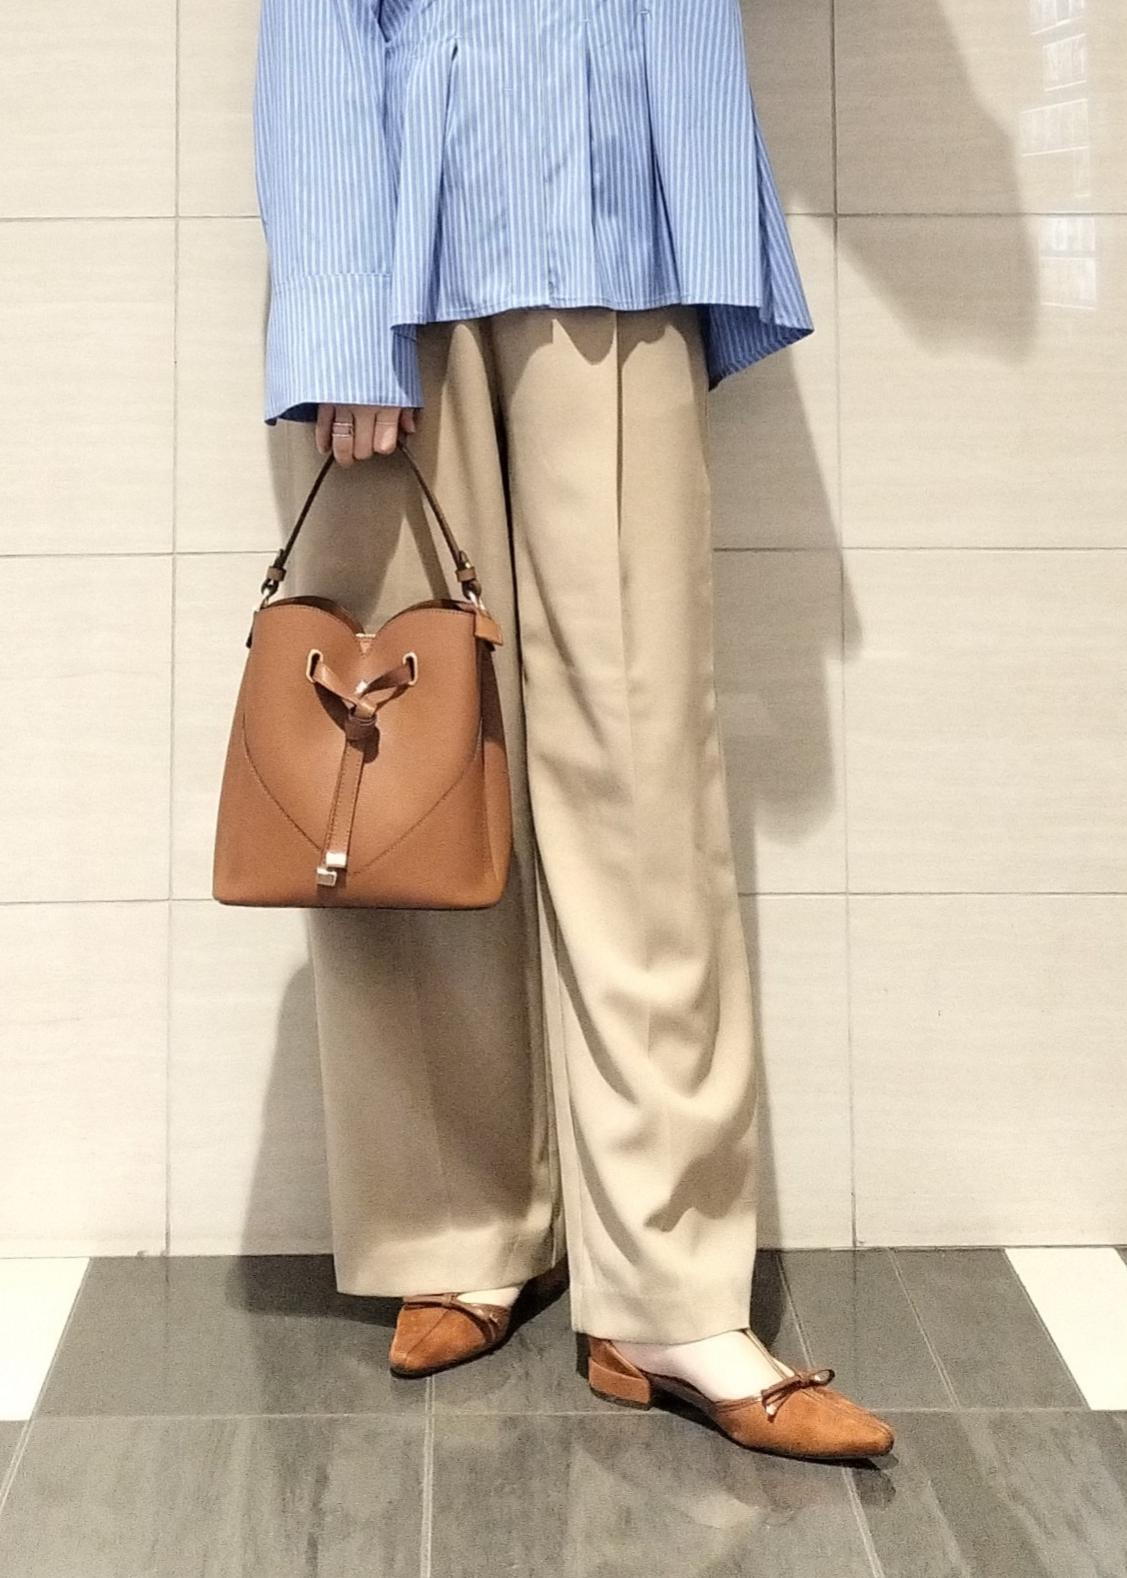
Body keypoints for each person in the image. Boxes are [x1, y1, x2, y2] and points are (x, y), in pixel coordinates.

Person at [252, 0, 893, 1462]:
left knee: (642, 768)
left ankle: (668, 1290)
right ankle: (459, 1223)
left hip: (621, 223)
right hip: (399, 260)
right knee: (412, 775)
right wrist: (340, 306)